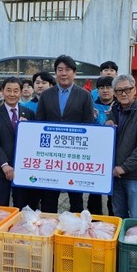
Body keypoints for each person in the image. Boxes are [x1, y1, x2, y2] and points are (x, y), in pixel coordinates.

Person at [36, 55, 95, 213]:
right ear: (55, 73)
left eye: (67, 69)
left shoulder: (84, 95)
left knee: (76, 199)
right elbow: (39, 124)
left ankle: (74, 232)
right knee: (49, 198)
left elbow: (89, 125)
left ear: (74, 73)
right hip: (51, 157)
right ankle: (49, 232)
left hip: (74, 156)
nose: (63, 73)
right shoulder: (46, 95)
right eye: (60, 70)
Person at [106, 74, 137, 218]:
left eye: (127, 89)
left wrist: (124, 167)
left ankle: (134, 241)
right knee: (118, 215)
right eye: (119, 90)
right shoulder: (113, 112)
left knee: (136, 216)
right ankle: (119, 241)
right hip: (114, 174)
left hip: (135, 175)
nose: (123, 93)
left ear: (134, 90)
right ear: (114, 93)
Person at [0, 77, 36, 208]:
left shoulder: (29, 114)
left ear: (20, 92)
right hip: (0, 168)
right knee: (0, 207)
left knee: (23, 207)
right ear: (3, 91)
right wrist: (4, 164)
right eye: (8, 90)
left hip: (23, 168)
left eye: (16, 91)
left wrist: (28, 129)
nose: (12, 94)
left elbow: (33, 141)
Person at [88, 75, 117, 215]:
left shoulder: (120, 105)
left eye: (108, 87)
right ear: (97, 90)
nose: (105, 90)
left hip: (116, 154)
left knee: (114, 195)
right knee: (94, 193)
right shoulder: (90, 106)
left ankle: (113, 220)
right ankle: (94, 222)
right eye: (101, 87)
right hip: (95, 155)